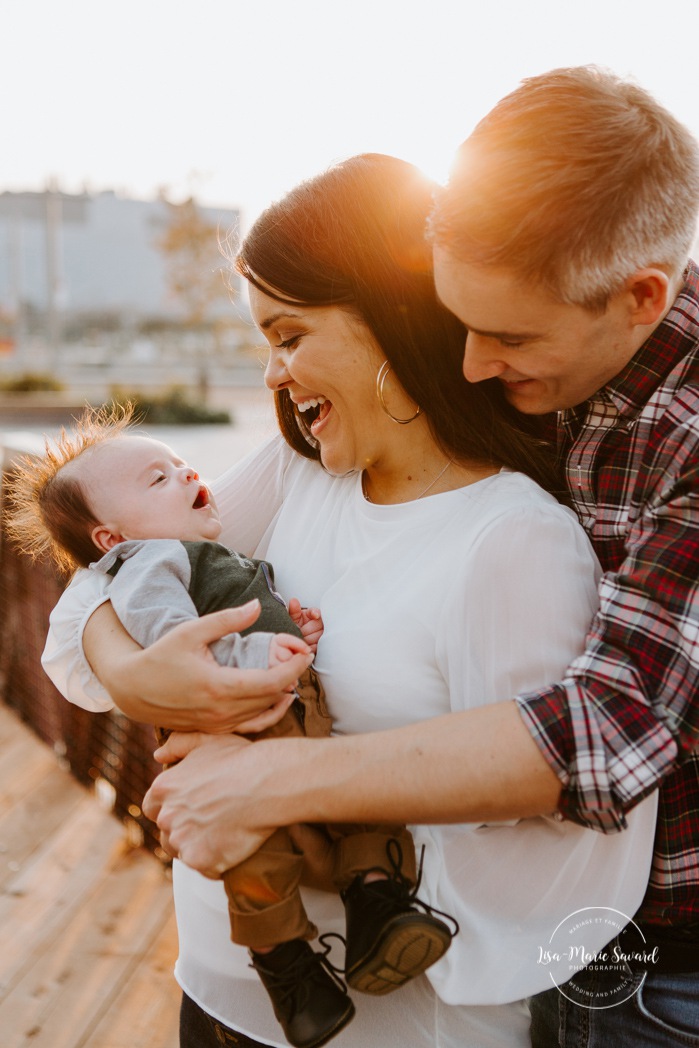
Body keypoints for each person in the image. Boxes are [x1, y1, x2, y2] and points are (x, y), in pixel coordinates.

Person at [43, 153, 657, 1048]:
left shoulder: (511, 542)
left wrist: (266, 810)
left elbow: (549, 843)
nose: (272, 376)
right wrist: (135, 675)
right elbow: (102, 585)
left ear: (391, 315)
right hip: (213, 993)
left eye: (288, 337)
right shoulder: (303, 474)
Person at [6, 406, 456, 1048]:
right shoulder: (150, 567)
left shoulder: (202, 552)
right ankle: (315, 949)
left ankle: (344, 934)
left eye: (178, 463)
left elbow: (245, 615)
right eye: (158, 479)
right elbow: (178, 648)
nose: (187, 471)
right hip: (234, 733)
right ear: (112, 540)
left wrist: (290, 630)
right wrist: (256, 656)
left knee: (335, 813)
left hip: (286, 717)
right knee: (260, 847)